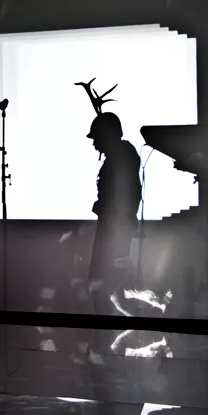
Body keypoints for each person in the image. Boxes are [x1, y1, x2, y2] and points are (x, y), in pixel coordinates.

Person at [86, 113, 141, 316]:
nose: (94, 144)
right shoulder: (122, 157)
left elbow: (123, 197)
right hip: (113, 230)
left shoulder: (122, 158)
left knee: (106, 284)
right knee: (104, 284)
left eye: (97, 138)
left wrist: (104, 208)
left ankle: (110, 330)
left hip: (114, 233)